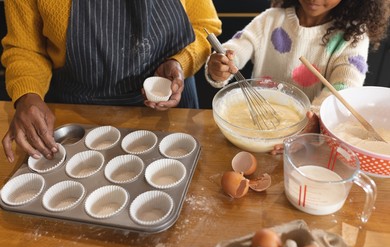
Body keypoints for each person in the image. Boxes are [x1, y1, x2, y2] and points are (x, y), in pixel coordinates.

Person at [1, 0, 221, 163]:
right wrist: (27, 95)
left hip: (169, 108)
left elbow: (204, 26)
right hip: (78, 114)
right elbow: (26, 48)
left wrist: (180, 61)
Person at [205, 0, 390, 154]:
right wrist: (221, 64)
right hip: (251, 132)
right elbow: (238, 46)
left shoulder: (352, 36)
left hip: (307, 144)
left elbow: (345, 87)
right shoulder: (270, 19)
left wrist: (315, 121)